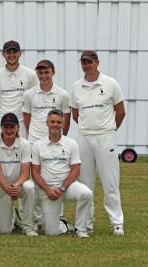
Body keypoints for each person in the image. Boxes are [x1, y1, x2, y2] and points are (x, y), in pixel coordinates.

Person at [70, 50, 126, 236]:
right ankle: (86, 223)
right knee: (86, 183)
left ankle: (117, 222)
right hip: (84, 137)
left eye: (89, 62)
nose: (86, 65)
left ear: (97, 63)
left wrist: (109, 130)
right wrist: (89, 128)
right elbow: (76, 114)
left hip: (105, 137)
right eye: (83, 62)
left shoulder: (110, 84)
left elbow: (120, 112)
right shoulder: (76, 86)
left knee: (110, 182)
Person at [22, 59, 71, 229]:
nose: (43, 76)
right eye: (40, 73)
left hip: (55, 142)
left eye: (46, 72)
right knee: (35, 181)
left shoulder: (63, 95)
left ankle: (59, 216)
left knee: (56, 177)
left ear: (53, 72)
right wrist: (37, 138)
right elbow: (27, 120)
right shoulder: (29, 94)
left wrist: (57, 138)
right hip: (35, 141)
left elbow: (66, 121)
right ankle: (37, 220)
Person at [31, 109, 92, 238]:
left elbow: (76, 169)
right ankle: (63, 224)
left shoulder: (71, 143)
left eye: (59, 122)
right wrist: (48, 190)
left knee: (86, 194)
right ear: (47, 123)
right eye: (52, 121)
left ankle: (80, 229)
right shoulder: (38, 145)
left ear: (63, 125)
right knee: (52, 233)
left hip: (67, 186)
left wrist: (63, 188)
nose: (55, 124)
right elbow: (35, 172)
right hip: (49, 190)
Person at [0, 112, 37, 235]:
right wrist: (8, 189)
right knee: (5, 231)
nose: (9, 130)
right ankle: (14, 216)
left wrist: (16, 186)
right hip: (1, 187)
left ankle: (27, 225)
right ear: (1, 127)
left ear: (17, 128)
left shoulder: (25, 144)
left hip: (19, 186)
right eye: (6, 127)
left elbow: (26, 173)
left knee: (30, 187)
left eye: (12, 127)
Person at [0, 40, 38, 137]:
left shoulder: (30, 75)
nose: (11, 55)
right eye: (8, 52)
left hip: (22, 123)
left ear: (20, 53)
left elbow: (34, 100)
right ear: (3, 54)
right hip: (2, 123)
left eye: (14, 52)